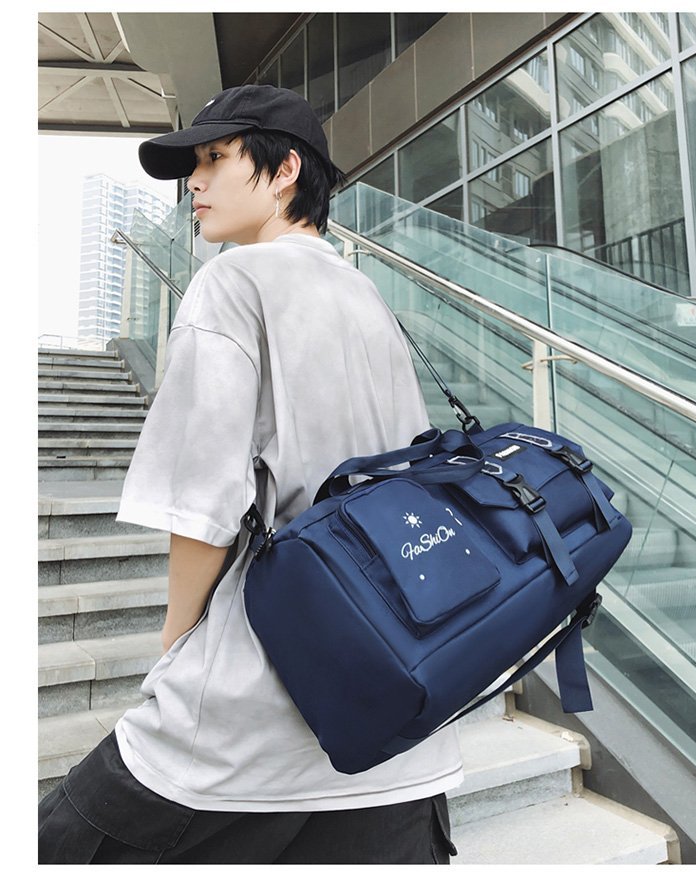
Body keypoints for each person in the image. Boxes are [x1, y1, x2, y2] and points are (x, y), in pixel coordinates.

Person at [38, 84, 464, 865]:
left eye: (214, 158)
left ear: (285, 171)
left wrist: (176, 644)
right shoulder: (368, 296)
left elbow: (202, 504)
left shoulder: (233, 283)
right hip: (392, 729)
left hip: (247, 721)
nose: (194, 182)